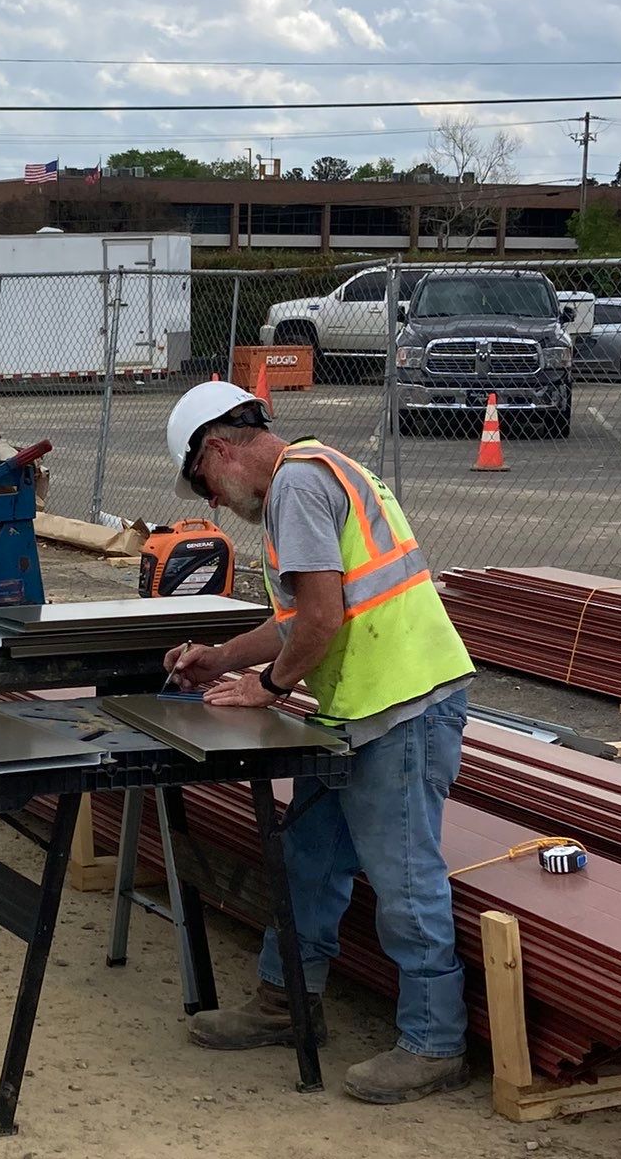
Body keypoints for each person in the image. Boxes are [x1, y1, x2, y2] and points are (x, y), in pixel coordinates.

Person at [159, 380, 475, 1101]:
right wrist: (222, 658)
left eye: (203, 483)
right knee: (307, 860)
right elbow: (300, 619)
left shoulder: (297, 487)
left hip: (403, 708)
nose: (213, 503)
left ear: (220, 449)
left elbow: (323, 619)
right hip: (360, 707)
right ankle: (285, 1003)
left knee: (404, 880)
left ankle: (435, 1043)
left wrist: (266, 688)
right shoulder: (315, 472)